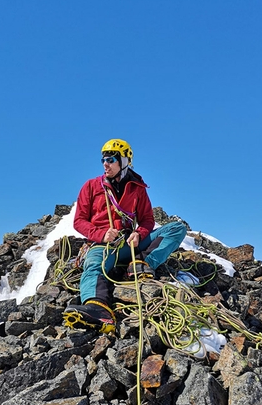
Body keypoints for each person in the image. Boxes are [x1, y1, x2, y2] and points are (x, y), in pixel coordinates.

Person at [63, 138, 187, 333]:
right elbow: (79, 221)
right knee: (94, 263)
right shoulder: (91, 186)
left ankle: (141, 264)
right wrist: (101, 234)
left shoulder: (137, 188)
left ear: (124, 161)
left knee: (176, 229)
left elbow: (147, 219)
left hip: (130, 244)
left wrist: (139, 233)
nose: (106, 163)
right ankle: (97, 307)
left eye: (111, 159)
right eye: (103, 159)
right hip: (103, 245)